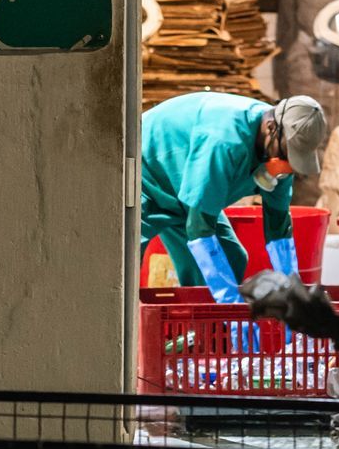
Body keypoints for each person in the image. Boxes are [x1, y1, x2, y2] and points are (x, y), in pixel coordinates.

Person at [140, 92, 327, 301]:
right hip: (145, 176)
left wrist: (293, 292)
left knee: (231, 257)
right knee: (120, 265)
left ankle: (203, 331)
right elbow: (199, 228)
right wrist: (229, 301)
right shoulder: (225, 140)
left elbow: (278, 226)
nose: (287, 166)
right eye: (286, 156)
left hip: (183, 192)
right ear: (271, 128)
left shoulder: (282, 155)